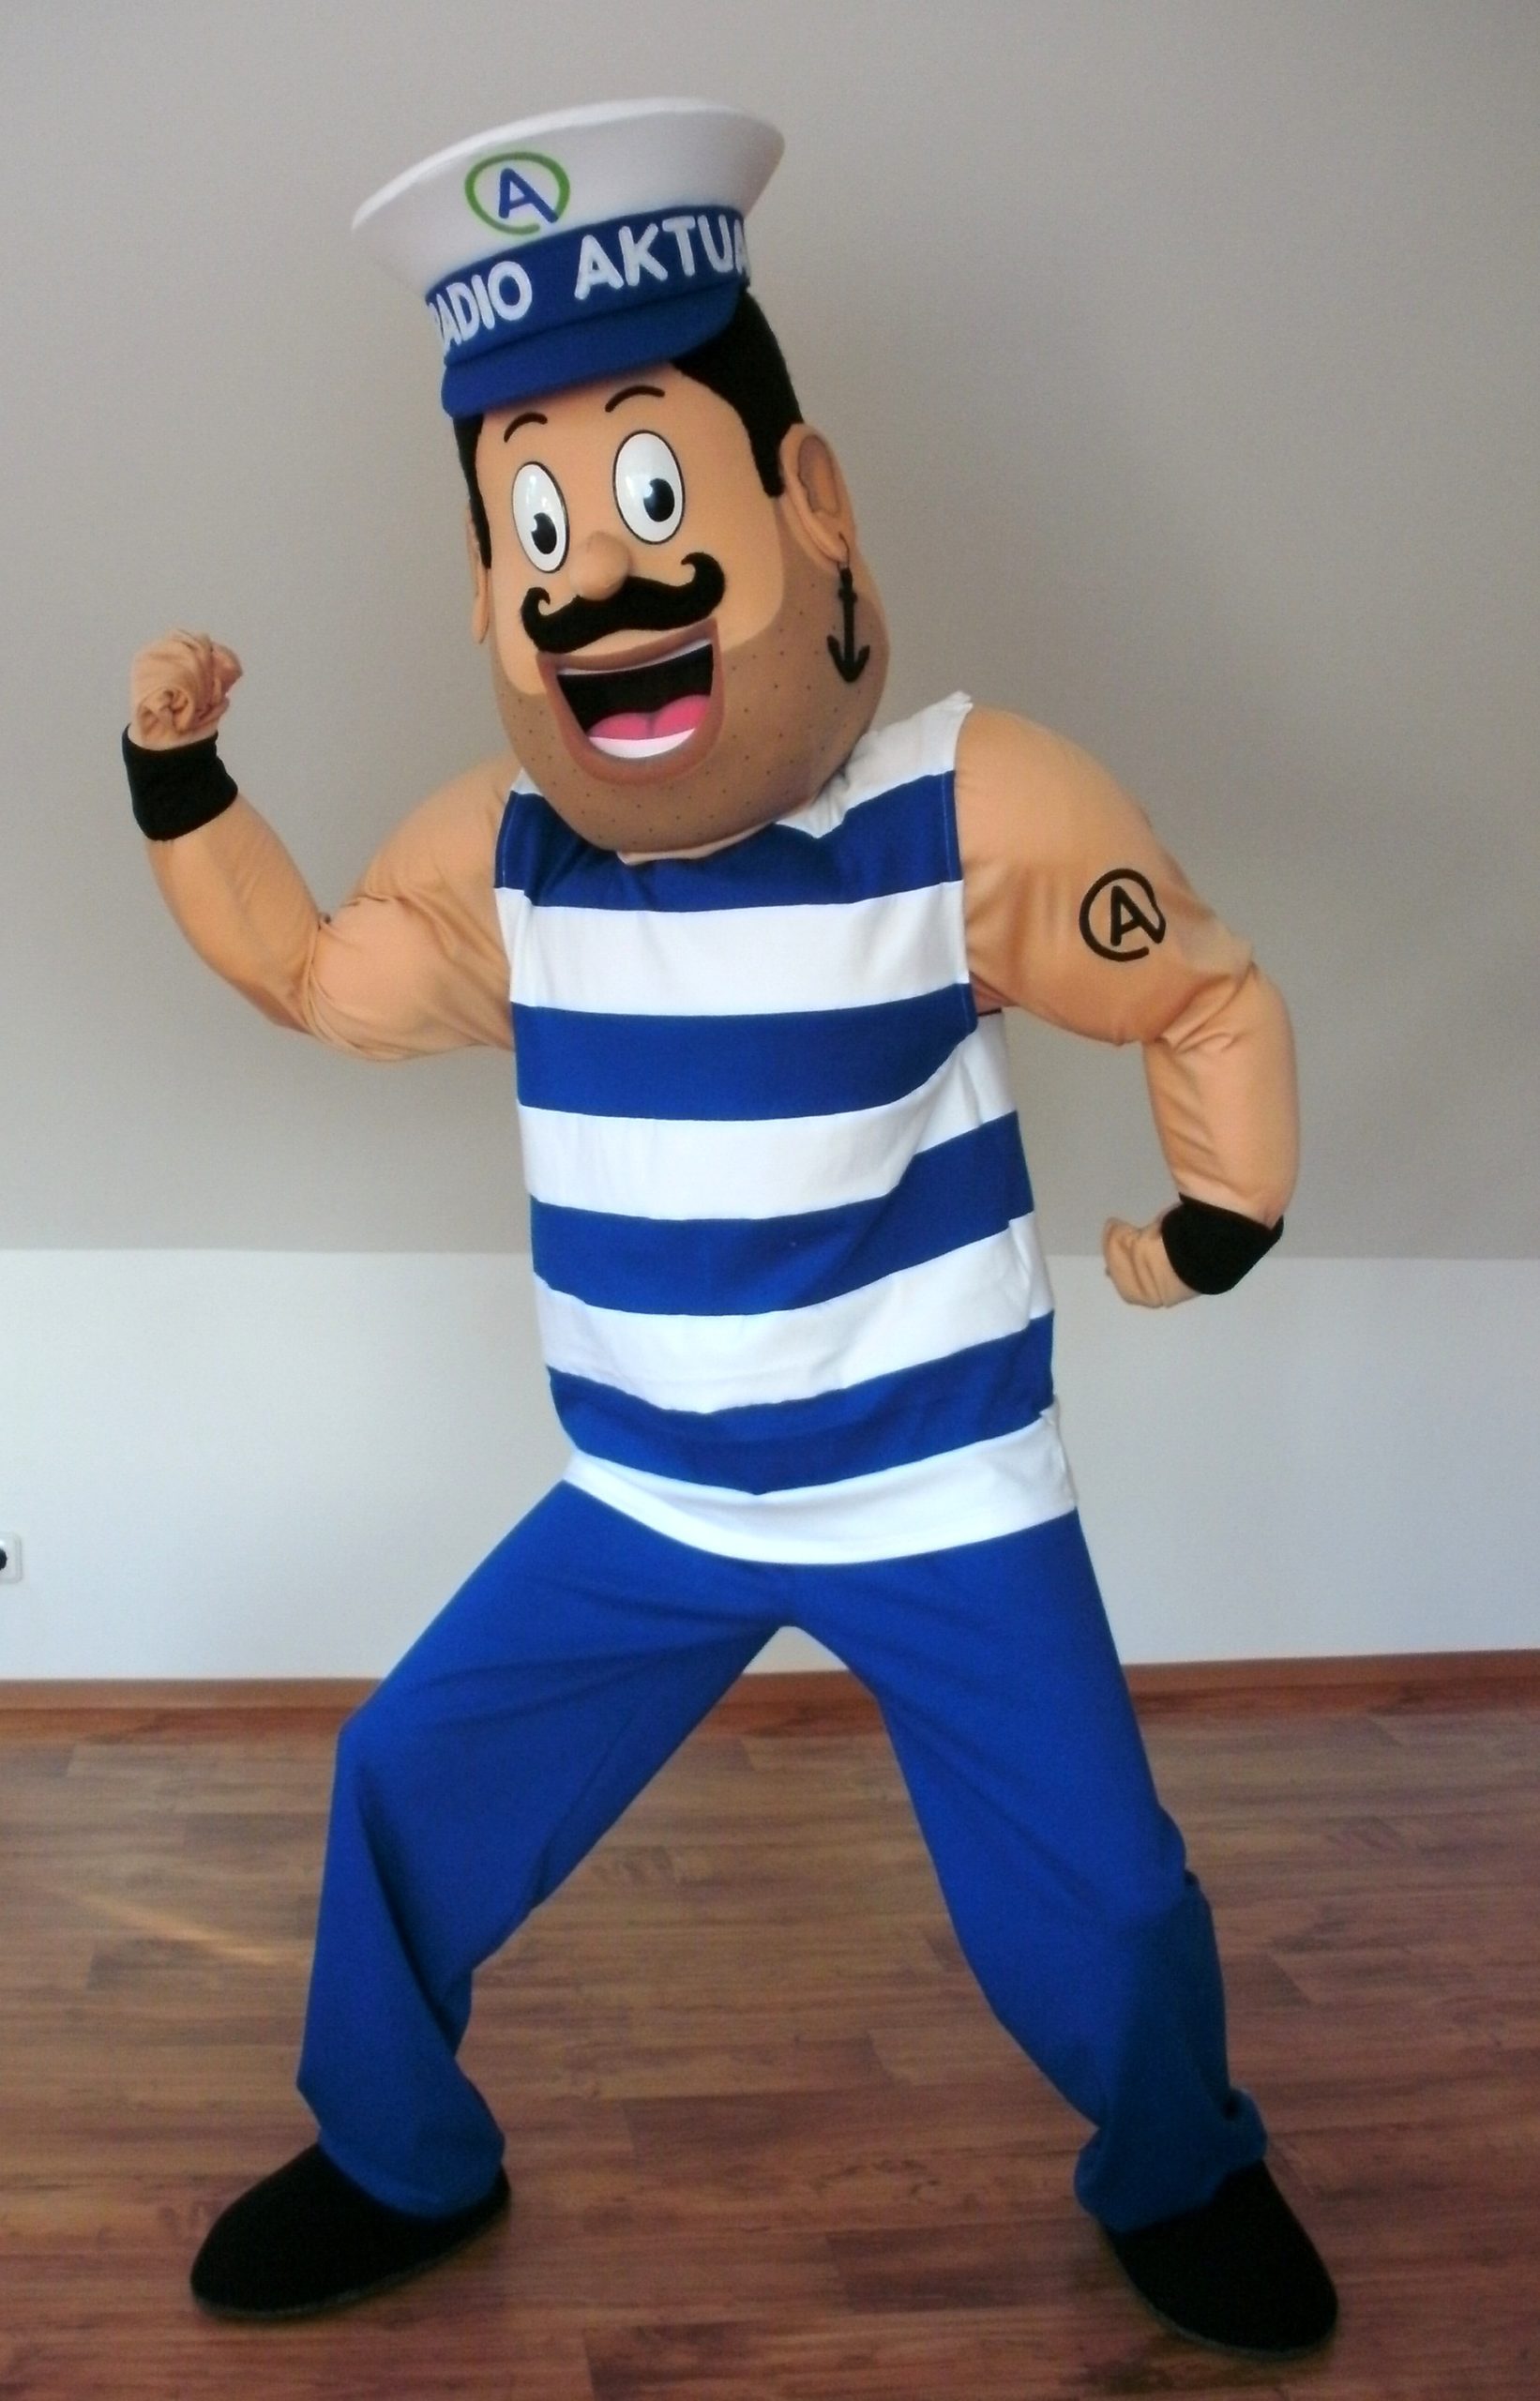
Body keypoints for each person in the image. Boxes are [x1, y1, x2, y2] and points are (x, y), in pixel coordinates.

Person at [123, 100, 1335, 2354]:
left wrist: (1217, 1208)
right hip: (647, 1496)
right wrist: (183, 783)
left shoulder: (952, 813)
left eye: (656, 499)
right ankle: (396, 2148)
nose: (604, 578)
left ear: (808, 505)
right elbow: (312, 971)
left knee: (1107, 1897)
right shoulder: (510, 867)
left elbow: (1190, 983)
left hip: (934, 1489)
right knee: (401, 1777)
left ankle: (1177, 2157)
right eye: (542, 530)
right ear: (490, 589)